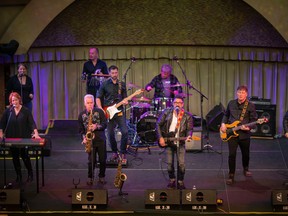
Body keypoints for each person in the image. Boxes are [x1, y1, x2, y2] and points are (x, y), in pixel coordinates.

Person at [220, 85, 258, 185]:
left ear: (246, 94)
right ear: (236, 93)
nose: (241, 94)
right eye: (239, 92)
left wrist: (248, 127)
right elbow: (226, 115)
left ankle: (246, 168)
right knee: (231, 155)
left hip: (244, 134)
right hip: (231, 133)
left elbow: (254, 121)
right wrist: (223, 123)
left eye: (243, 92)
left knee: (245, 154)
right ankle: (231, 174)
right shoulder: (231, 103)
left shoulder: (250, 105)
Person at [0, 92, 41, 183]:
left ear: (19, 100)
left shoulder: (26, 111)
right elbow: (2, 124)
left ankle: (30, 174)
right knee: (15, 158)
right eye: (12, 100)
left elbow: (32, 123)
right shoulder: (8, 111)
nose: (14, 102)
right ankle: (19, 176)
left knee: (25, 156)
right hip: (12, 138)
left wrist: (36, 133)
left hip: (23, 138)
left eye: (16, 100)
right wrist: (1, 134)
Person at [156, 95, 193, 190]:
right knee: (169, 164)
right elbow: (158, 124)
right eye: (176, 102)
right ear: (173, 104)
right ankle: (172, 180)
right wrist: (160, 137)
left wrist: (189, 136)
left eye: (180, 103)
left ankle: (180, 181)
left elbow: (189, 129)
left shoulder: (187, 116)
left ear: (183, 104)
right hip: (169, 141)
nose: (177, 104)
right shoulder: (167, 112)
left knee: (181, 164)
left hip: (180, 142)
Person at [96, 65, 129, 163]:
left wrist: (125, 101)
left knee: (125, 132)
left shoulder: (122, 85)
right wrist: (101, 109)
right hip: (109, 112)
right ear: (109, 73)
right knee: (110, 133)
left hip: (119, 111)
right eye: (113, 73)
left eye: (116, 73)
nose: (115, 75)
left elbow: (124, 97)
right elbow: (98, 97)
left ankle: (123, 152)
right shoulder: (105, 84)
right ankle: (114, 152)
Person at [78, 94, 107, 185]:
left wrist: (96, 126)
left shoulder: (100, 112)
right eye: (88, 103)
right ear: (84, 104)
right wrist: (84, 138)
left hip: (100, 139)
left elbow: (105, 124)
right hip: (90, 141)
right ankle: (90, 177)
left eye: (91, 103)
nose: (90, 105)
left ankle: (101, 176)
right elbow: (81, 130)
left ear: (94, 103)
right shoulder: (81, 115)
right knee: (91, 161)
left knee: (102, 160)